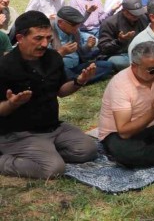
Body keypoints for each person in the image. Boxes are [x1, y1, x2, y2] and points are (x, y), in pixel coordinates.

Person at [0, 11, 98, 179]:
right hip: (19, 133)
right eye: (38, 38)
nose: (45, 44)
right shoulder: (5, 66)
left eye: (48, 38)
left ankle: (46, 151)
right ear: (20, 38)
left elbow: (61, 91)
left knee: (88, 150)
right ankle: (4, 160)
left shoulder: (53, 57)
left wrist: (79, 81)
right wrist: (12, 103)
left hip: (53, 126)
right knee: (53, 169)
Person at [50, 7, 113, 83]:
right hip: (59, 67)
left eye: (78, 24)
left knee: (107, 65)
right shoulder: (48, 32)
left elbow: (82, 54)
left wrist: (88, 46)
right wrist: (61, 53)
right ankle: (76, 80)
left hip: (77, 66)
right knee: (62, 70)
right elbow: (45, 61)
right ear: (60, 22)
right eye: (74, 24)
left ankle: (75, 79)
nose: (77, 27)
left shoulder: (75, 31)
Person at [98, 0, 150, 71]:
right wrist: (119, 41)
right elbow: (103, 49)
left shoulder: (142, 18)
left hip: (139, 52)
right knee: (117, 62)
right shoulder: (110, 23)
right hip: (120, 55)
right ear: (124, 11)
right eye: (133, 14)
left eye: (138, 13)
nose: (137, 16)